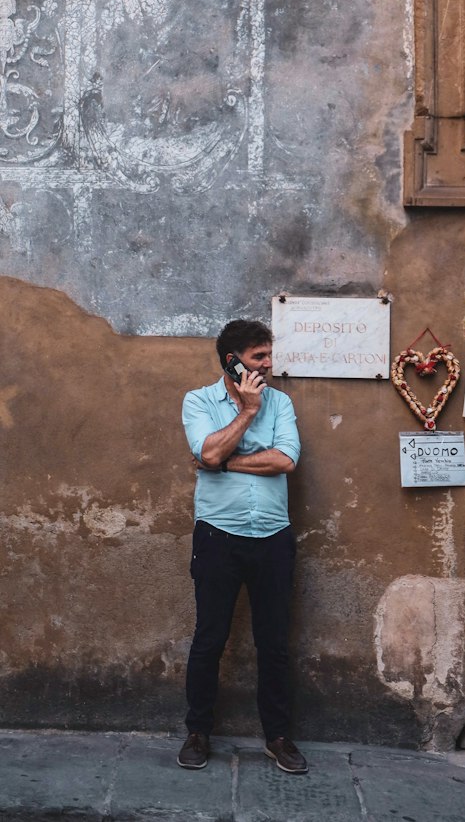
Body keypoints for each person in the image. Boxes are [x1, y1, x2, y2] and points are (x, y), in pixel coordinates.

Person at [177, 318, 307, 775]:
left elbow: (285, 459)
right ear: (232, 362)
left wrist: (225, 460)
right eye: (259, 358)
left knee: (273, 644)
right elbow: (205, 452)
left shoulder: (283, 403)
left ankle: (278, 737)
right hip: (217, 536)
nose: (269, 365)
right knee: (209, 640)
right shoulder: (198, 401)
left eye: (269, 356)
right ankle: (197, 733)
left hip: (272, 536)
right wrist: (248, 413)